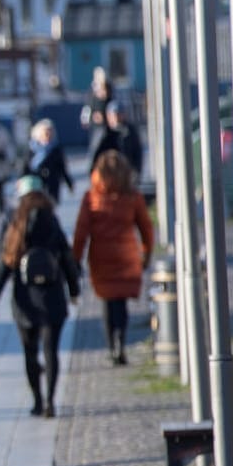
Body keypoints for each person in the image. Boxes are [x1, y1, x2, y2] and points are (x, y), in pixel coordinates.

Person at [0, 177, 83, 417]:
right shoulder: (52, 222)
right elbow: (68, 259)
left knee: (30, 352)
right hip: (52, 298)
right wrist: (73, 290)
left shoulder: (16, 223)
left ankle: (37, 401)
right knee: (51, 352)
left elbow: (5, 265)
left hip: (24, 300)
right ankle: (50, 401)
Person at [72, 150, 154, 366]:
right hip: (127, 255)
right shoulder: (133, 197)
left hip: (101, 256)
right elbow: (146, 227)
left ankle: (111, 346)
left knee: (108, 303)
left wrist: (75, 259)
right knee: (122, 302)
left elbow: (81, 232)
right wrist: (146, 252)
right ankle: (121, 341)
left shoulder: (91, 197)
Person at [22, 118, 75, 204]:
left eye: (50, 132)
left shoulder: (56, 149)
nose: (48, 135)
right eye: (46, 132)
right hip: (36, 184)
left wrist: (69, 183)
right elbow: (25, 166)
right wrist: (21, 180)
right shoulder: (31, 149)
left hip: (52, 184)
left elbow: (62, 167)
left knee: (50, 208)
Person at [92, 100, 144, 176]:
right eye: (113, 115)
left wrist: (136, 172)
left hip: (126, 174)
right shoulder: (103, 133)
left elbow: (137, 152)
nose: (116, 118)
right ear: (108, 116)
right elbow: (94, 155)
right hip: (107, 175)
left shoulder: (130, 131)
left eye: (119, 114)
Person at [83, 66, 113, 155]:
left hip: (106, 123)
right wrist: (87, 118)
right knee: (95, 147)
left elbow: (108, 103)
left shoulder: (107, 87)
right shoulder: (92, 89)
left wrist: (103, 115)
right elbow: (88, 105)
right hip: (95, 123)